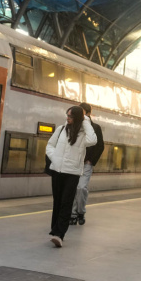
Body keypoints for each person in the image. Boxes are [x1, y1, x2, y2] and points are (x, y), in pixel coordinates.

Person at [46, 106, 96, 247]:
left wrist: (85, 120)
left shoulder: (83, 135)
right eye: (67, 114)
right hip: (57, 170)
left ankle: (59, 234)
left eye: (71, 116)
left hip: (72, 173)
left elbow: (93, 140)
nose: (67, 117)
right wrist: (54, 157)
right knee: (57, 201)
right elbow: (50, 145)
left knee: (66, 203)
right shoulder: (61, 129)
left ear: (79, 118)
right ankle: (54, 230)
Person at [70, 102, 104, 226]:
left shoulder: (96, 128)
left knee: (81, 187)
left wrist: (91, 160)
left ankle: (81, 211)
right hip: (74, 162)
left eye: (82, 111)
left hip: (86, 163)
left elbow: (100, 146)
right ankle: (73, 214)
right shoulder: (74, 126)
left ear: (88, 112)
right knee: (73, 188)